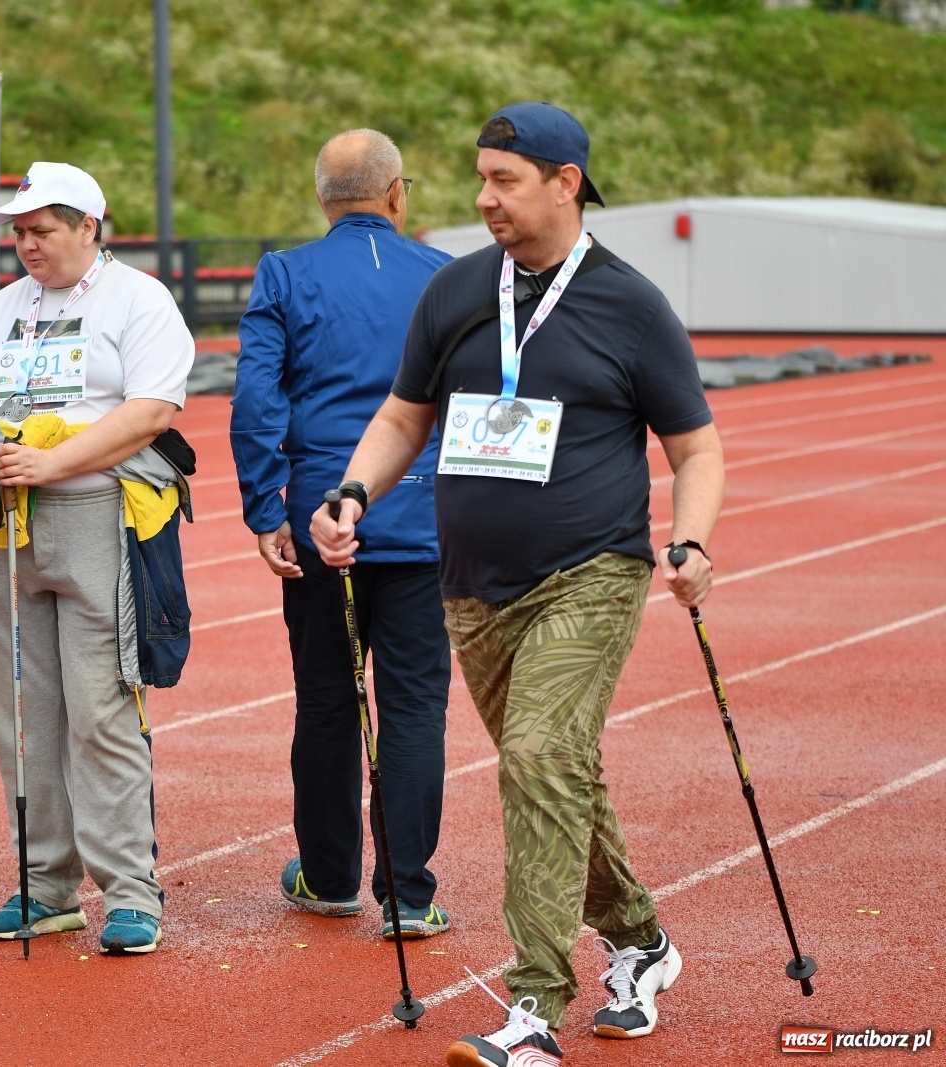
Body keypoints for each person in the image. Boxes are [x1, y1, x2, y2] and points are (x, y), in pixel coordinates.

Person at [310, 103, 725, 1066]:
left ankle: (533, 1009)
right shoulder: (456, 290)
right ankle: (641, 941)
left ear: (565, 181)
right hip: (472, 587)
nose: (484, 196)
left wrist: (691, 539)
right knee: (559, 772)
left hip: (591, 573)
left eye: (505, 179)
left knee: (537, 757)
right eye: (482, 176)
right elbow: (403, 416)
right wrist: (351, 492)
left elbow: (696, 447)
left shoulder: (630, 304)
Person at [0, 161, 195, 956]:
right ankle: (46, 884)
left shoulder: (140, 299)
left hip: (95, 514)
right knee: (22, 715)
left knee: (102, 706)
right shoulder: (3, 307)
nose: (27, 244)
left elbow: (152, 410)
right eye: (19, 231)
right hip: (5, 520)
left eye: (42, 229)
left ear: (91, 225)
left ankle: (130, 890)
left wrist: (58, 461)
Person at [231, 129, 454, 941]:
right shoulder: (445, 277)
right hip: (426, 521)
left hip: (324, 521)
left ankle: (328, 876)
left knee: (326, 697)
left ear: (323, 200)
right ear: (399, 195)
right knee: (416, 707)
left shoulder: (285, 273)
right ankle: (409, 892)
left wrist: (266, 509)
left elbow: (255, 398)